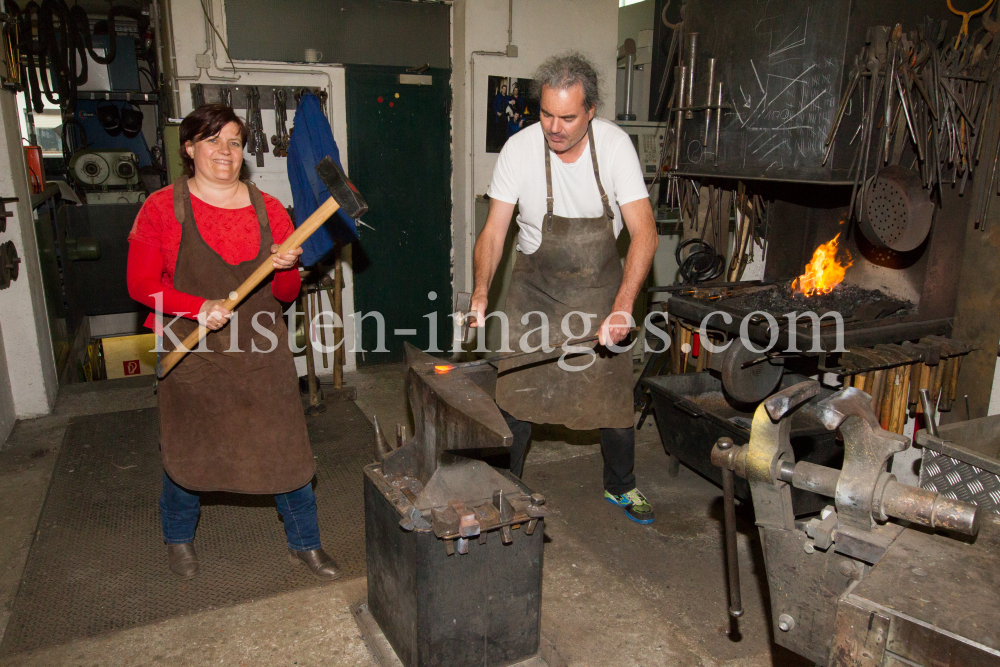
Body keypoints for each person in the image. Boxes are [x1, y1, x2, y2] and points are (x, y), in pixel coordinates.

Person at [126, 104, 341, 580]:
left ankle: (305, 543)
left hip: (261, 348)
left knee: (285, 445)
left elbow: (282, 296)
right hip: (192, 348)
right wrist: (195, 306)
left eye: (234, 141)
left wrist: (288, 270)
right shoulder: (161, 207)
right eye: (212, 140)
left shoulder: (270, 211)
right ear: (189, 147)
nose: (225, 151)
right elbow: (139, 283)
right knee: (188, 448)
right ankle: (179, 539)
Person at [471, 54, 659, 524]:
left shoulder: (615, 148)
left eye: (567, 117)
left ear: (590, 110)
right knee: (515, 394)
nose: (554, 127)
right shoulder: (519, 149)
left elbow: (645, 234)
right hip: (534, 288)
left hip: (600, 289)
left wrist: (622, 308)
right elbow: (495, 232)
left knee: (614, 399)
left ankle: (621, 486)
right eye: (547, 114)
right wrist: (480, 291)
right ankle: (506, 489)